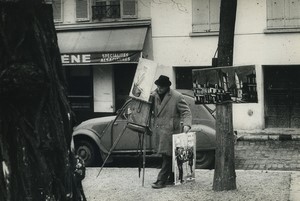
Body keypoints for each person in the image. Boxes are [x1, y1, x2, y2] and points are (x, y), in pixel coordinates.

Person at [150, 75, 192, 189]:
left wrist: (187, 124)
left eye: (161, 87)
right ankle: (172, 178)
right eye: (158, 86)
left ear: (167, 87)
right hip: (159, 131)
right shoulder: (154, 95)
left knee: (167, 156)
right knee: (167, 156)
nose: (159, 89)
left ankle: (161, 181)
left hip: (170, 131)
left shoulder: (177, 97)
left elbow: (186, 112)